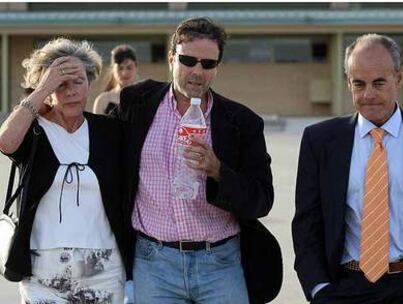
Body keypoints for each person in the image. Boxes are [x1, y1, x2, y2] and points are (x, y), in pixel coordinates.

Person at [115, 17, 281, 303]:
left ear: (217, 67)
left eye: (208, 64)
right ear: (171, 59)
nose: (197, 72)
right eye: (188, 60)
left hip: (219, 262)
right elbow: (97, 146)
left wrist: (218, 171)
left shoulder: (242, 122)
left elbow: (261, 200)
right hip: (153, 262)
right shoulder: (137, 103)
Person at [0, 38, 132, 303]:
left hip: (103, 268)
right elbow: (5, 142)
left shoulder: (109, 131)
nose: (70, 91)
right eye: (60, 84)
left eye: (78, 81)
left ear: (89, 82)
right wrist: (42, 89)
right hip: (42, 273)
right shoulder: (33, 131)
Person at [292, 33, 403, 304]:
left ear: (399, 78)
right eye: (359, 84)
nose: (368, 94)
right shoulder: (320, 140)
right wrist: (319, 289)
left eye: (379, 82)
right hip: (347, 287)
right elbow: (307, 225)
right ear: (348, 83)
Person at [93, 44, 138, 115]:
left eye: (129, 67)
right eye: (120, 68)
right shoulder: (103, 100)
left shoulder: (144, 99)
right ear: (113, 70)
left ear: (136, 68)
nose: (124, 73)